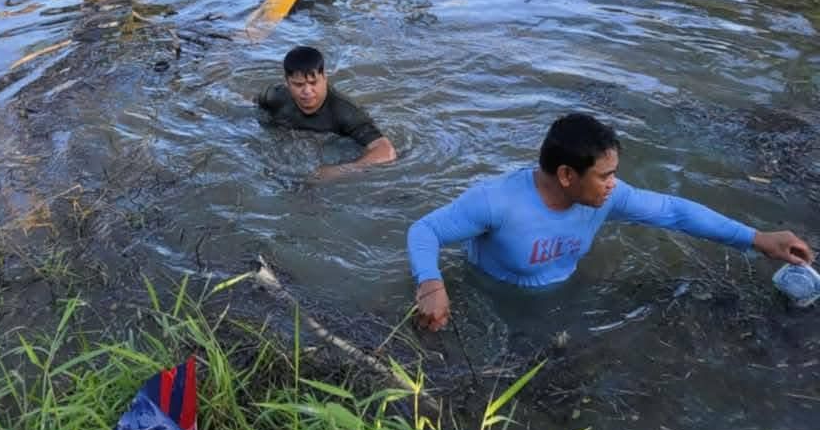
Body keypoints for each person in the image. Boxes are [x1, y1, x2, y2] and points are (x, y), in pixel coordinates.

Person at [408, 113, 813, 331]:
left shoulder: (605, 197)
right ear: (567, 175)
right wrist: (431, 283)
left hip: (562, 298)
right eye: (605, 174)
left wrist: (758, 239)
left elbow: (674, 211)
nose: (613, 184)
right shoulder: (495, 202)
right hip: (493, 300)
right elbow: (425, 230)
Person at [257, 46, 397, 182]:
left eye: (313, 82)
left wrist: (338, 171)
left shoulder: (344, 112)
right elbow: (247, 104)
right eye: (299, 85)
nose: (307, 91)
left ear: (324, 77)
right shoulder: (275, 96)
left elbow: (386, 151)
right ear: (287, 82)